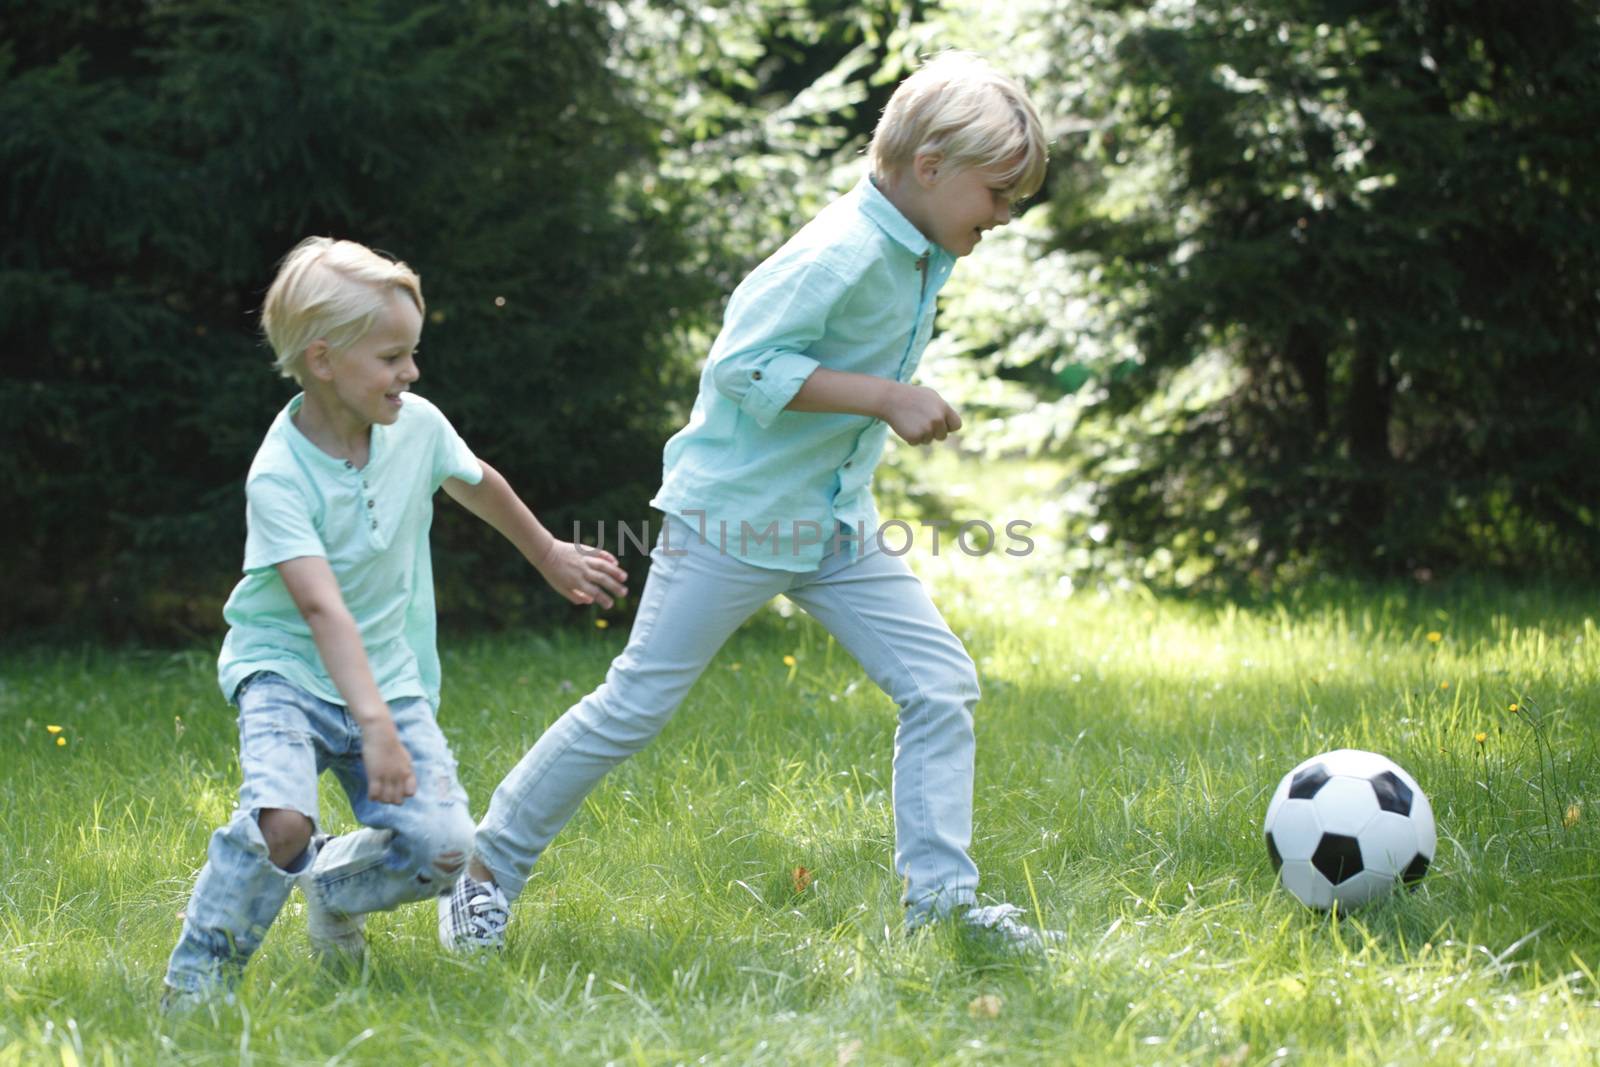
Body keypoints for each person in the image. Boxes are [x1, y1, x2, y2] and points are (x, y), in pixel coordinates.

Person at [439, 52, 1059, 952]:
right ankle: (485, 867)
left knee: (939, 682)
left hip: (833, 521)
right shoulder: (842, 248)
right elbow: (741, 365)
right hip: (734, 517)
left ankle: (941, 909)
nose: (1003, 216)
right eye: (998, 194)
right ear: (930, 169)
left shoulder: (923, 247)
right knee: (635, 704)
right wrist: (884, 397)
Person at [162, 237, 628, 1007]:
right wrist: (372, 724)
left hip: (390, 673)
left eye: (412, 352)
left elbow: (479, 484)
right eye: (392, 356)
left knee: (446, 849)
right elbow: (320, 608)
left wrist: (548, 554)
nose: (410, 372)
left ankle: (333, 888)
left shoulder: (417, 425)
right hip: (285, 670)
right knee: (281, 822)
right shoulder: (279, 476)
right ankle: (198, 982)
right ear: (322, 360)